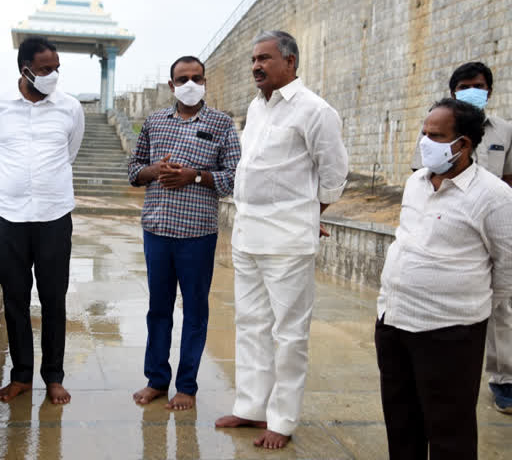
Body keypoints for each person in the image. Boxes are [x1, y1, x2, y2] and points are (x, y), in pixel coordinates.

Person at [215, 31, 348, 449]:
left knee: (289, 334)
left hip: (288, 241)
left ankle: (282, 420)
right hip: (248, 234)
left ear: (290, 62)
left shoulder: (315, 111)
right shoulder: (257, 109)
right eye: (253, 59)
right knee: (250, 324)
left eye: (265, 58)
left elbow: (333, 177)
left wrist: (311, 215)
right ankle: (251, 407)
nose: (256, 66)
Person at [376, 98, 512, 459]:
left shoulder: (495, 197)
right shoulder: (416, 183)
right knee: (402, 424)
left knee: (449, 429)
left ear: (463, 144)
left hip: (451, 332)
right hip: (394, 323)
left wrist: (470, 308)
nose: (425, 142)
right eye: (424, 133)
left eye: (435, 136)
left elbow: (507, 269)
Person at [128, 55, 241, 411]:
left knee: (194, 311)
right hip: (157, 229)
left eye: (196, 78)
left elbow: (235, 177)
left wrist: (194, 175)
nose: (190, 84)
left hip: (197, 233)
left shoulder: (221, 124)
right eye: (182, 79)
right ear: (171, 84)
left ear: (205, 82)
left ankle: (187, 386)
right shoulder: (154, 122)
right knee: (158, 309)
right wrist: (153, 171)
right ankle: (156, 380)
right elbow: (132, 170)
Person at [0, 36, 84, 405]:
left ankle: (54, 376)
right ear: (24, 70)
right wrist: (15, 188)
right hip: (8, 215)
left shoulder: (70, 108)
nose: (53, 75)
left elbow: (70, 153)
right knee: (15, 298)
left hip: (54, 215)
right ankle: (21, 375)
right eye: (44, 69)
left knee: (54, 298)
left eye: (56, 68)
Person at [411, 62, 512, 414]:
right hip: (448, 228)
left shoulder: (504, 131)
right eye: (467, 85)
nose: (474, 90)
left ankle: (504, 379)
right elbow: (422, 181)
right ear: (453, 91)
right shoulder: (435, 129)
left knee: (501, 309)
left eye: (481, 85)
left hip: (491, 222)